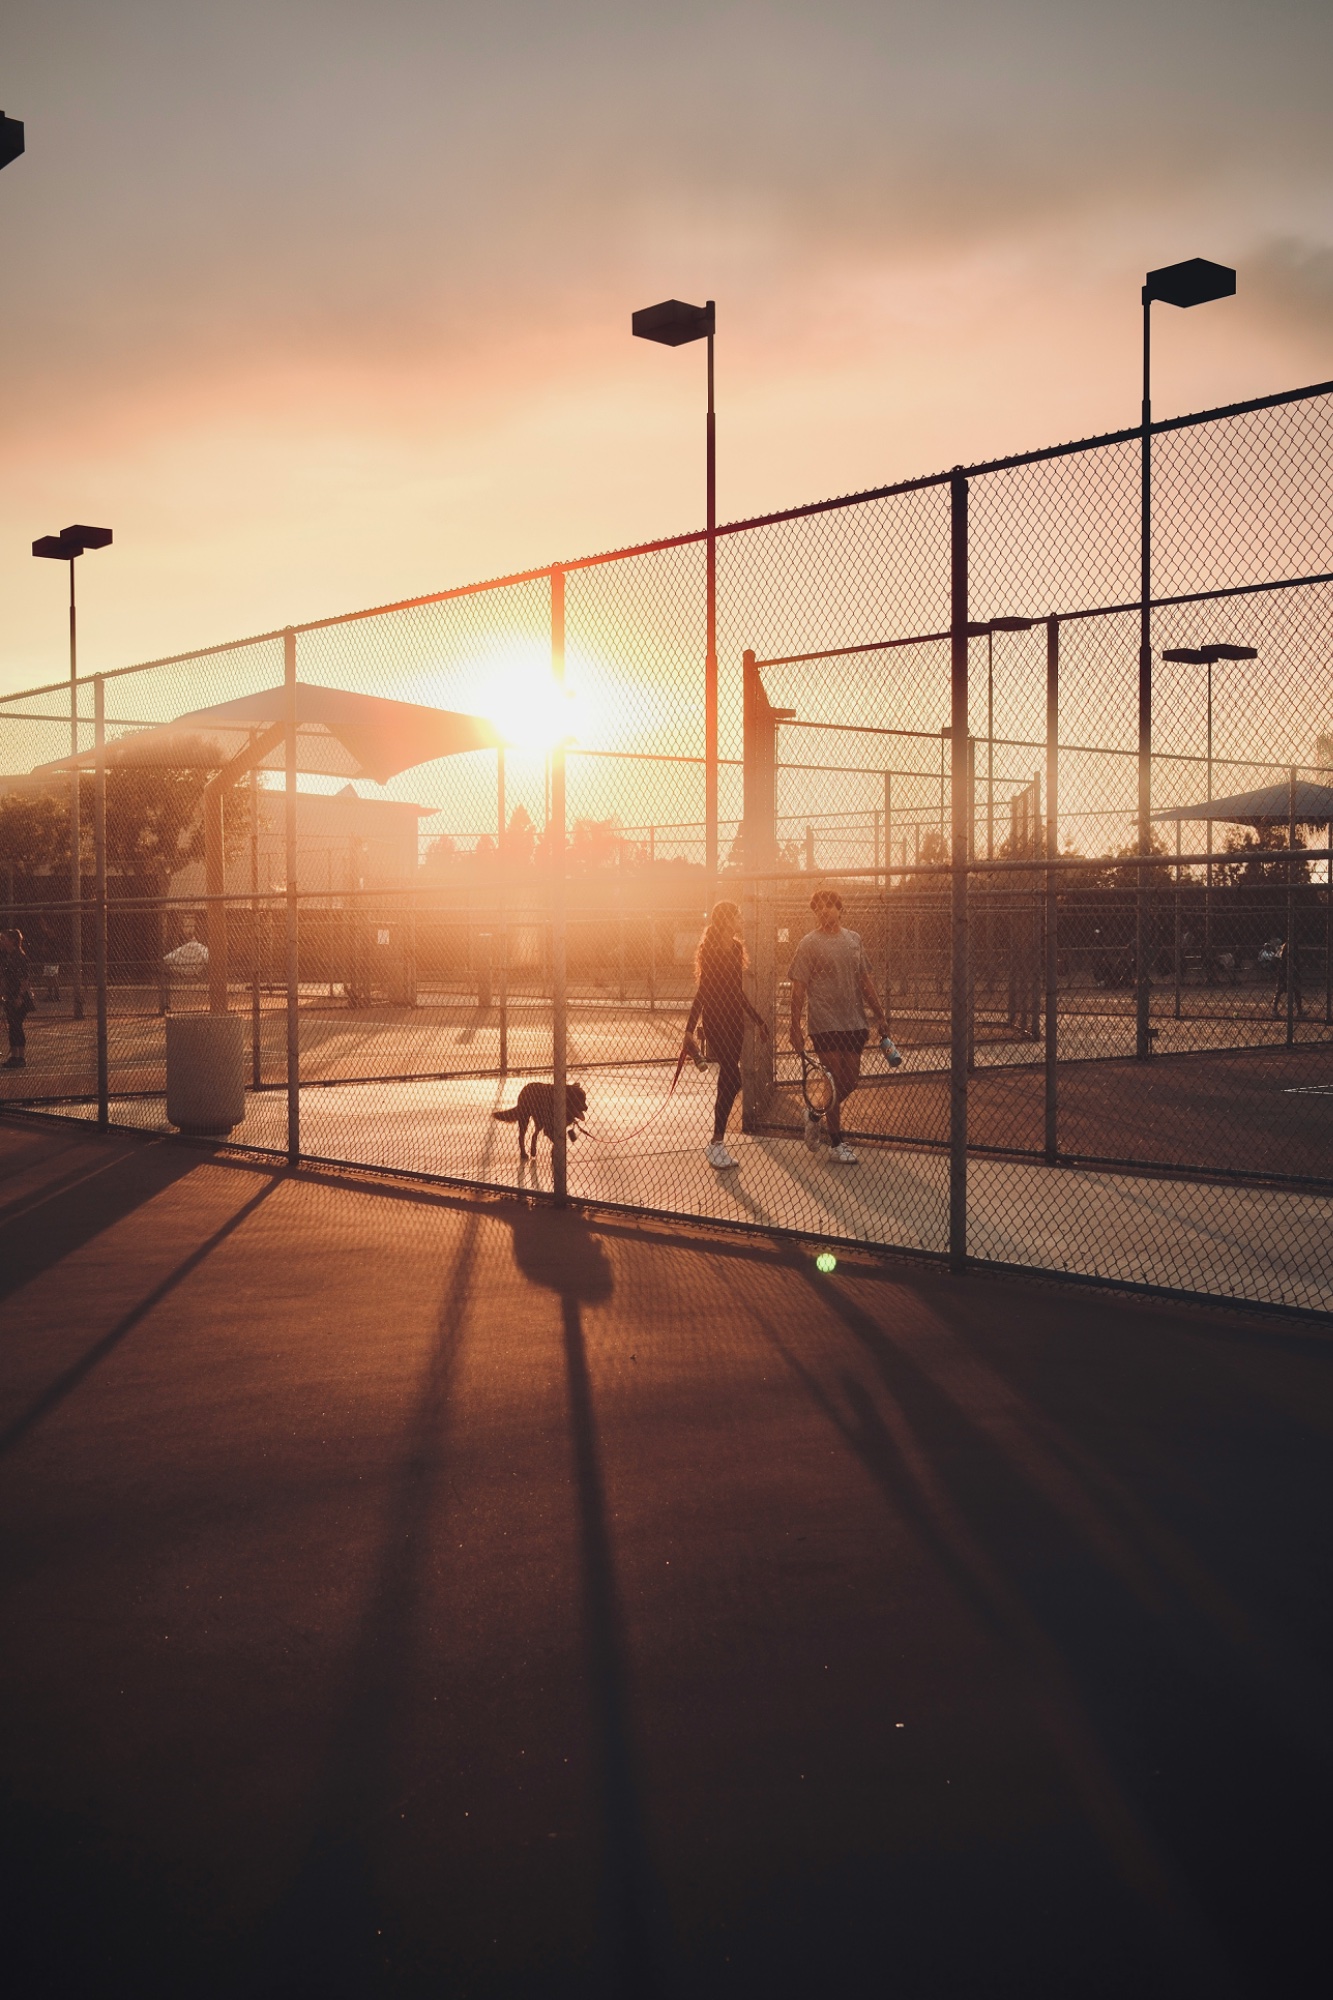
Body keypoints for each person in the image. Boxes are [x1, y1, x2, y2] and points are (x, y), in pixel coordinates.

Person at [788, 888, 890, 1165]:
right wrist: (794, 1025)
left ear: (840, 909)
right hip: (824, 1022)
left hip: (854, 1021)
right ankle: (836, 1142)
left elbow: (866, 982)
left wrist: (880, 1015)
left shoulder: (854, 940)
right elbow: (799, 988)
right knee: (832, 1078)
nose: (824, 911)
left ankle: (815, 1113)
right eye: (819, 907)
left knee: (850, 1081)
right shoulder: (808, 944)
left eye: (830, 906)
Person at [683, 901, 769, 1169]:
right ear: (726, 919)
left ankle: (717, 1144)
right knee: (733, 1077)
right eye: (737, 916)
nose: (740, 920)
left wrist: (757, 1020)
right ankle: (716, 1142)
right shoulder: (709, 949)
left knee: (727, 1080)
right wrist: (689, 1028)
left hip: (734, 1021)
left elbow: (737, 990)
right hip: (716, 1020)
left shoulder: (735, 948)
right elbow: (704, 990)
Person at [2, 928, 35, 1070]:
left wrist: (20, 997)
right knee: (12, 1026)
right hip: (10, 995)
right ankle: (14, 1056)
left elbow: (25, 979)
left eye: (4, 939)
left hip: (20, 996)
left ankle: (21, 1057)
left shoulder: (20, 957)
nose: (2, 941)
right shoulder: (6, 956)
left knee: (17, 1025)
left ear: (13, 941)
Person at [1271, 935, 1304, 1018]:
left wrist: (1297, 967)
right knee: (1279, 990)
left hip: (1292, 973)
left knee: (1297, 990)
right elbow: (1278, 958)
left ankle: (1300, 1010)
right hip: (1284, 972)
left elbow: (1298, 959)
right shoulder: (1284, 946)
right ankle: (1274, 1010)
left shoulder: (1294, 946)